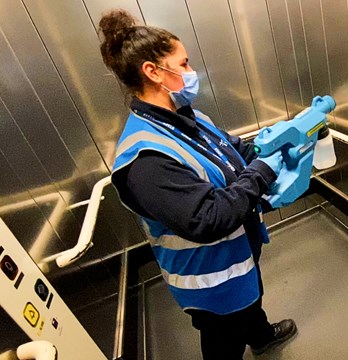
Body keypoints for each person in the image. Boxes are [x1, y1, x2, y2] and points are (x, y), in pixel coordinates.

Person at [98, 9, 297, 359]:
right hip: (211, 279)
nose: (192, 74)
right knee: (225, 338)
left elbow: (233, 150)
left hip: (239, 255)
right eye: (184, 64)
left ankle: (261, 335)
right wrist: (264, 170)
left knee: (251, 296)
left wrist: (271, 145)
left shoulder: (187, 117)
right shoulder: (146, 159)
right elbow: (207, 219)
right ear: (154, 72)